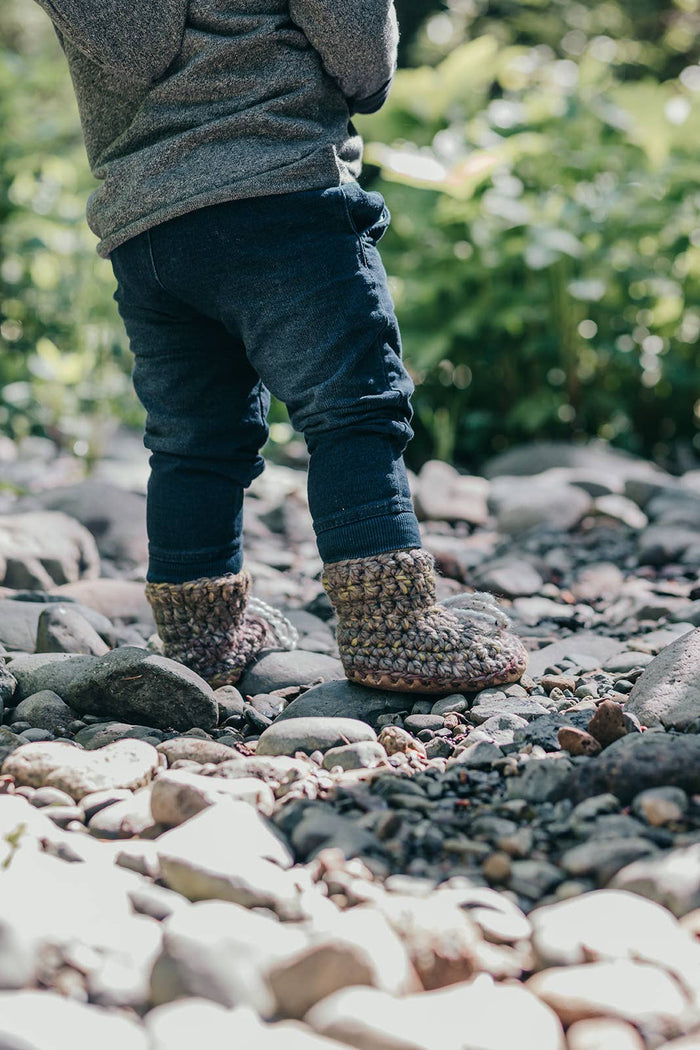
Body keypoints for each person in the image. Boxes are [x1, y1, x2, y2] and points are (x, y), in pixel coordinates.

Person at [29, 0, 528, 693]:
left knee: (192, 440)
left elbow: (136, 45)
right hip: (286, 187)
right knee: (352, 410)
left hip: (150, 224)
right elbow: (359, 56)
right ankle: (393, 625)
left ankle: (201, 636)